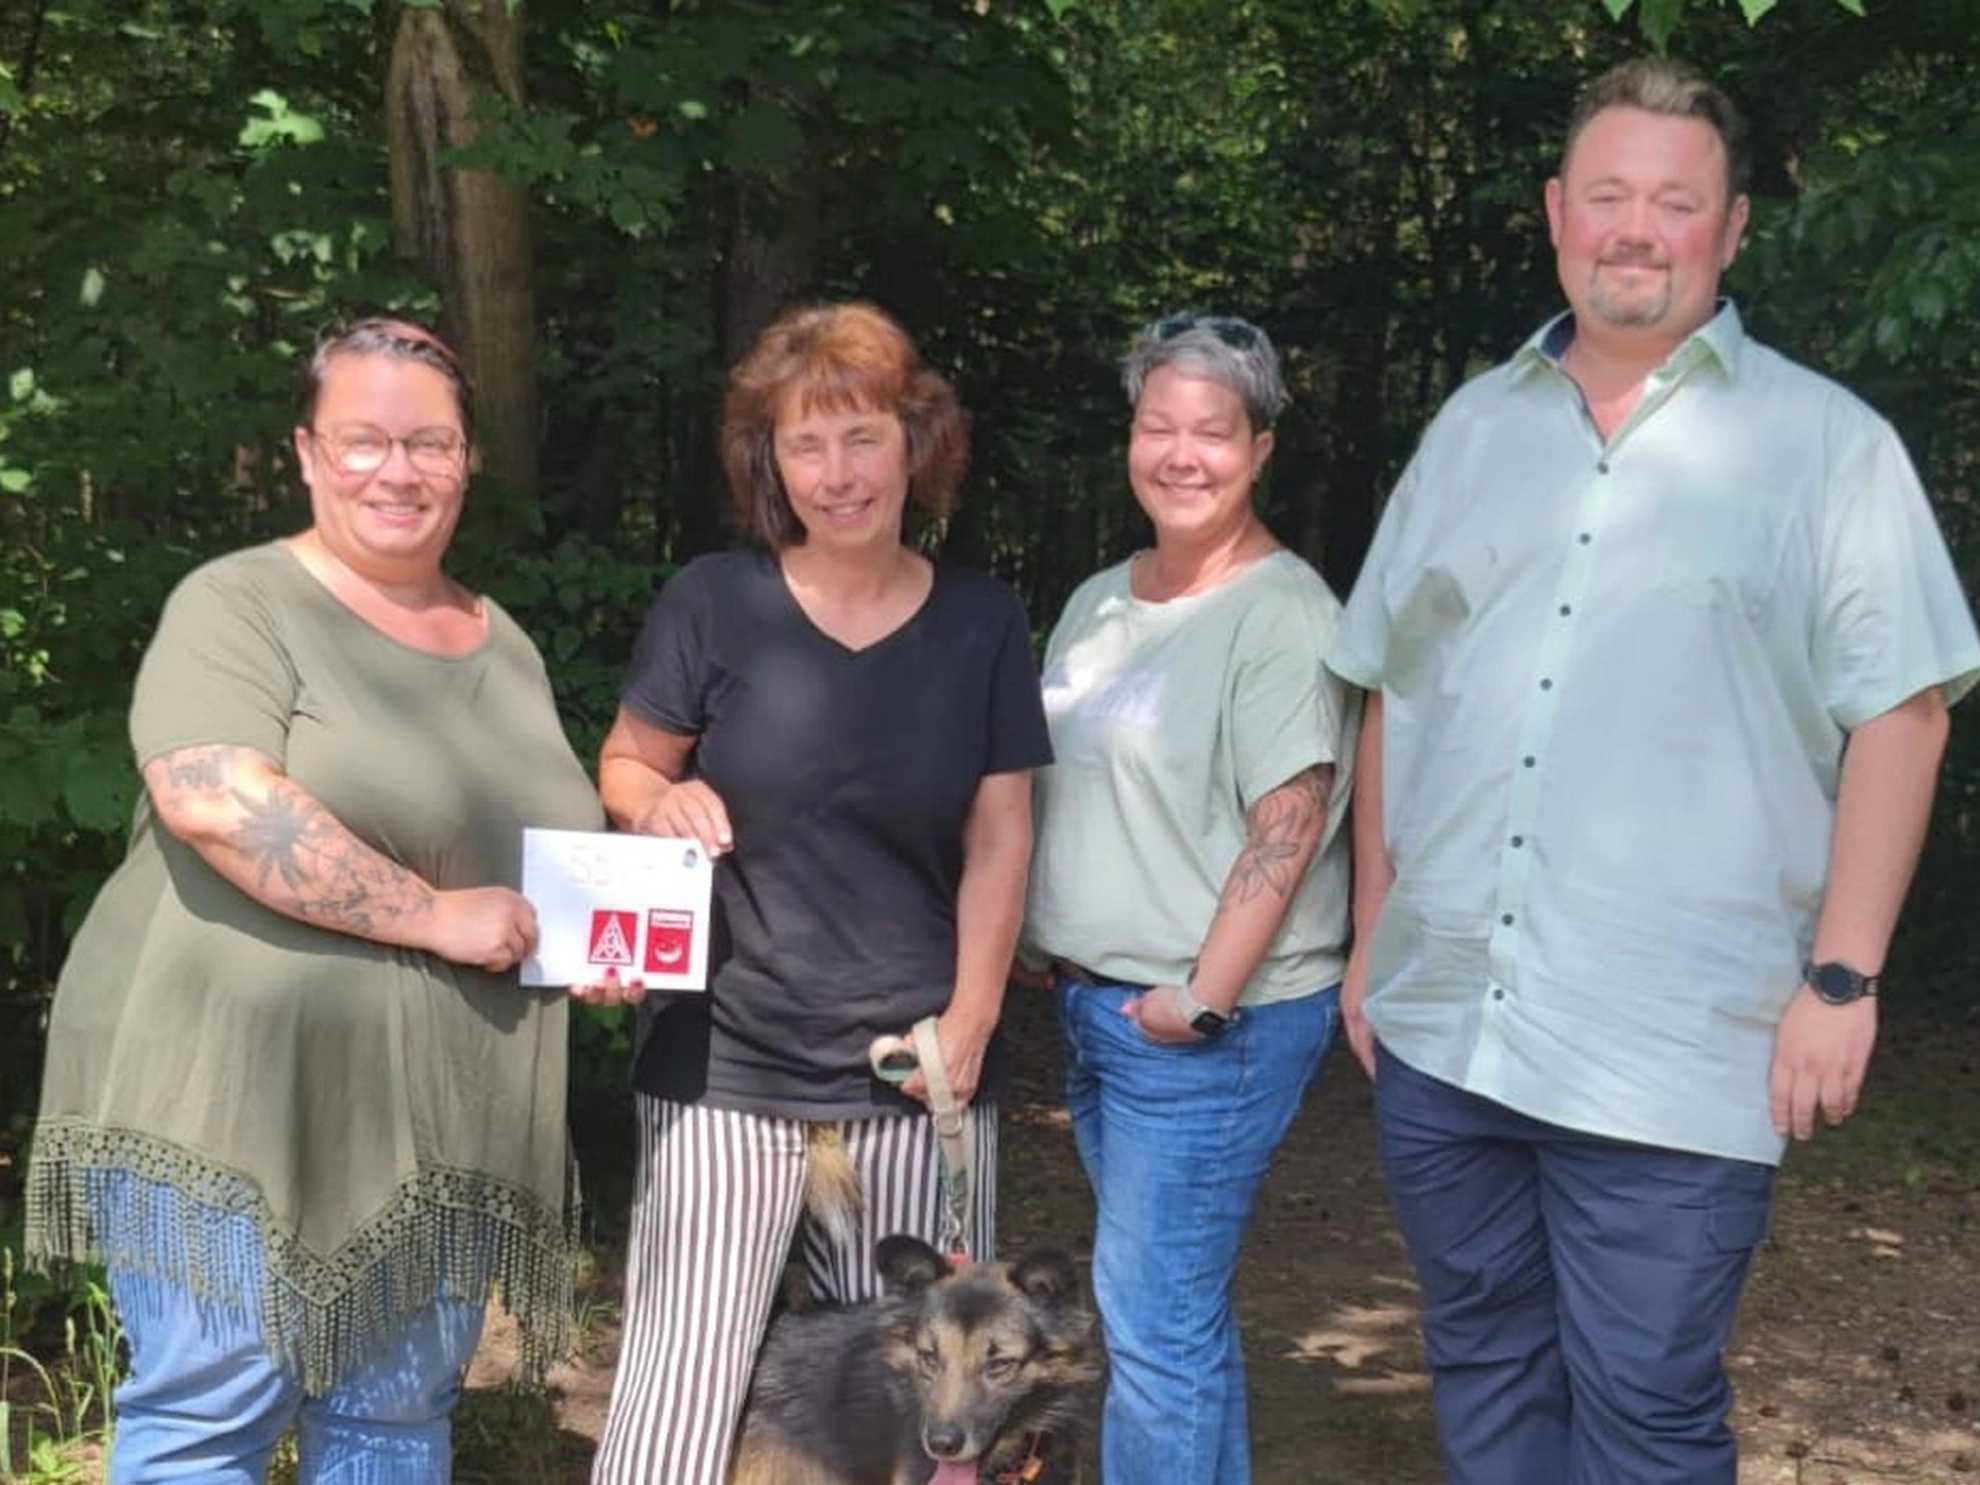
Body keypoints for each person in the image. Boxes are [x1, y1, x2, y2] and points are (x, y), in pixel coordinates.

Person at [1328, 56, 1980, 1485]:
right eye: (1609, 194)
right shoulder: (1470, 429)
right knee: (1487, 1376)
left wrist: (1844, 978)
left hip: (1679, 1052)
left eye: (1674, 202)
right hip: (1448, 1032)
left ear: (1732, 229)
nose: (1637, 226)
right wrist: (1373, 927)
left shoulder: (1827, 449)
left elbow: (1905, 715)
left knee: (1646, 1416)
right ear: (1560, 212)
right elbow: (1395, 691)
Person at [24, 318, 608, 1485]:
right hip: (236, 1105)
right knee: (206, 1420)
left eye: (430, 443)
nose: (399, 470)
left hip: (432, 1126)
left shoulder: (509, 646)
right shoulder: (238, 604)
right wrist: (438, 916)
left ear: (469, 459)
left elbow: (540, 857)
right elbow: (214, 797)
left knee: (394, 1426)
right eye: (365, 440)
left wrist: (590, 943)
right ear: (305, 453)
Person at [587, 301, 1052, 1485]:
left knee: (927, 1400)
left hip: (917, 1060)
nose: (837, 474)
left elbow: (1002, 830)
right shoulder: (711, 602)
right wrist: (656, 803)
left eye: (862, 438)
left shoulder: (982, 621)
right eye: (806, 444)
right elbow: (629, 759)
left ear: (916, 443)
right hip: (725, 1057)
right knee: (680, 1381)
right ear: (769, 463)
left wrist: (975, 1018)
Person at [1021, 312, 1355, 1485]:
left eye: (1212, 431)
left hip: (1207, 1025)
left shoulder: (1282, 611)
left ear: (1260, 447)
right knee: (1175, 1322)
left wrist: (1201, 1001)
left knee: (1154, 1328)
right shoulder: (1100, 600)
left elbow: (1292, 820)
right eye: (1157, 424)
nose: (1181, 452)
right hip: (1102, 1009)